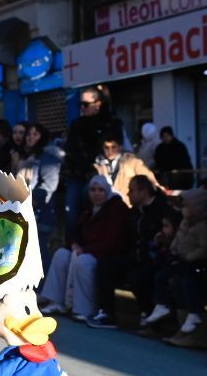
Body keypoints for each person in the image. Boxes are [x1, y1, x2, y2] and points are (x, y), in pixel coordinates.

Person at [38, 175, 132, 324]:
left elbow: (112, 242)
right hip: (87, 250)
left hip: (106, 255)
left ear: (107, 191)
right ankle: (56, 302)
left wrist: (85, 249)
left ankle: (84, 309)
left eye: (101, 190)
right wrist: (75, 244)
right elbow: (76, 232)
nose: (96, 193)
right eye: (93, 190)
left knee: (83, 261)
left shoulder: (117, 209)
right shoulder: (89, 209)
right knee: (62, 254)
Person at [95, 174, 176, 329]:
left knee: (138, 276)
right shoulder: (134, 213)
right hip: (135, 257)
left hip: (155, 260)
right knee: (106, 264)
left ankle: (149, 314)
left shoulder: (162, 211)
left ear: (144, 193)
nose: (128, 194)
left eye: (132, 191)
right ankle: (107, 312)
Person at [158, 187, 207, 348]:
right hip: (182, 264)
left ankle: (198, 334)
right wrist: (174, 251)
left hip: (199, 267)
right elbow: (178, 239)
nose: (183, 209)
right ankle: (183, 330)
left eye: (186, 206)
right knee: (175, 282)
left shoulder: (205, 226)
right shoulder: (185, 223)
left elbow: (206, 248)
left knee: (188, 285)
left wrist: (189, 257)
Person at [61, 87, 123, 238]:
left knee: (99, 212)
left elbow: (115, 148)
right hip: (77, 173)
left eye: (86, 104)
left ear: (98, 103)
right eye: (80, 104)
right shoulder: (76, 124)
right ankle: (73, 244)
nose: (82, 107)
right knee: (71, 213)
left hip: (101, 173)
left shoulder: (111, 123)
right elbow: (70, 149)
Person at [94, 136, 158, 201]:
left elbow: (149, 178)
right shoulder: (99, 165)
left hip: (127, 203)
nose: (110, 150)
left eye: (113, 147)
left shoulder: (133, 162)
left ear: (120, 147)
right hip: (108, 203)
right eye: (106, 147)